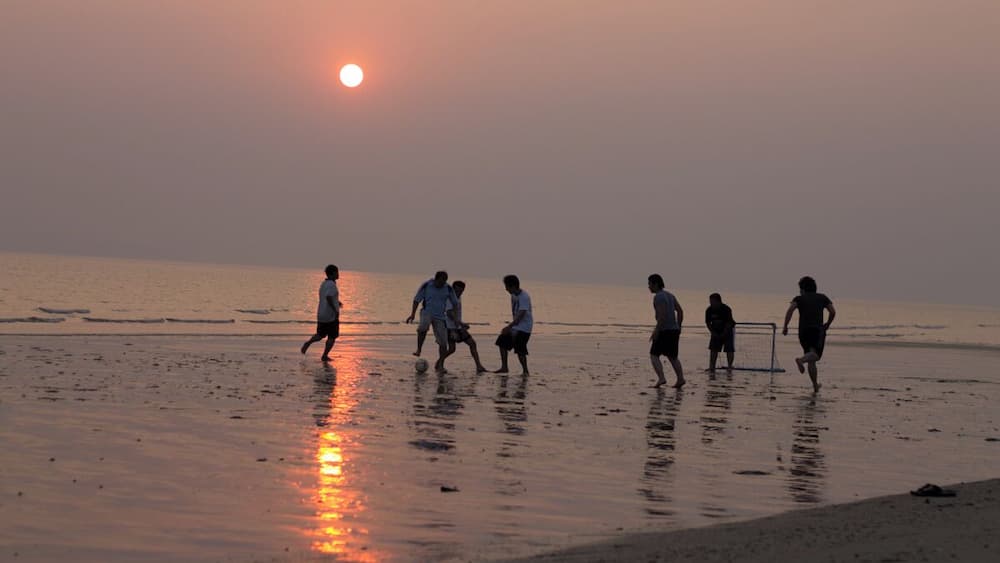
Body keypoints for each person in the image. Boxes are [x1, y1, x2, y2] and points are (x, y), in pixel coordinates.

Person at [782, 276, 836, 393]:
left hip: (803, 332)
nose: (799, 291)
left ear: (803, 289)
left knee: (811, 359)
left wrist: (785, 326)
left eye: (800, 289)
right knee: (816, 356)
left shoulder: (799, 299)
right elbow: (832, 311)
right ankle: (800, 360)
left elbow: (790, 310)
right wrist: (828, 324)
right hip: (817, 331)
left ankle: (815, 386)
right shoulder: (822, 298)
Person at [406, 271, 459, 373]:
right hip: (427, 312)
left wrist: (456, 318)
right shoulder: (427, 285)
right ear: (436, 279)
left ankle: (441, 365)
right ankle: (419, 349)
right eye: (441, 281)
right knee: (423, 327)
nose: (442, 283)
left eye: (445, 281)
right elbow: (416, 300)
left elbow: (455, 303)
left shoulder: (448, 288)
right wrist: (412, 314)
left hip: (440, 317)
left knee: (443, 343)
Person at [648, 274, 685, 388]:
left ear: (656, 284)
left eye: (650, 284)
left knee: (654, 354)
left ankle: (661, 378)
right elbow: (680, 311)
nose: (649, 287)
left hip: (664, 330)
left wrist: (656, 331)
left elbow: (662, 316)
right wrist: (679, 326)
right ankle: (680, 379)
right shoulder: (670, 295)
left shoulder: (658, 297)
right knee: (672, 356)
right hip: (674, 330)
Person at [443, 280, 488, 373]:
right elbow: (449, 313)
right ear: (453, 290)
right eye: (457, 291)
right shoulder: (450, 298)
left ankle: (479, 366)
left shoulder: (459, 298)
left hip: (458, 327)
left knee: (472, 343)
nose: (459, 293)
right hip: (450, 327)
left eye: (461, 291)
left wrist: (460, 324)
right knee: (452, 349)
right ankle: (439, 363)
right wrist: (460, 323)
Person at [301, 264, 342, 362]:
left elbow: (326, 297)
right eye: (337, 272)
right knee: (332, 336)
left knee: (320, 335)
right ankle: (324, 355)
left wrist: (337, 302)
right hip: (330, 316)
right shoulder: (331, 285)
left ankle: (308, 342)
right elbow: (328, 297)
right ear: (333, 273)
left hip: (321, 314)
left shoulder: (324, 284)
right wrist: (335, 310)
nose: (338, 274)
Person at [495, 274, 532, 376]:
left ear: (513, 286)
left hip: (525, 327)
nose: (506, 289)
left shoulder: (524, 297)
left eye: (507, 286)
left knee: (520, 349)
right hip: (516, 326)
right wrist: (512, 327)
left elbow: (521, 314)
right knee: (502, 341)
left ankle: (525, 371)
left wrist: (509, 326)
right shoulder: (513, 295)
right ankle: (504, 367)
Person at [705, 293, 736, 372]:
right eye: (710, 301)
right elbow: (708, 323)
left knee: (729, 349)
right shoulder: (709, 310)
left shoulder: (726, 309)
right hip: (715, 330)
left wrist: (724, 333)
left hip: (728, 330)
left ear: (718, 301)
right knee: (713, 349)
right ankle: (712, 366)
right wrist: (713, 332)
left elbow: (729, 323)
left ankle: (730, 366)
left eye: (712, 301)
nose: (710, 303)